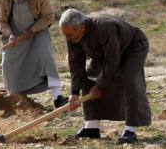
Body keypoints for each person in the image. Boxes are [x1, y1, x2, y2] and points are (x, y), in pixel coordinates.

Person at [58, 8, 151, 144]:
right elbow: (76, 64)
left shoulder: (105, 27)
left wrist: (100, 86)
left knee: (128, 78)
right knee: (89, 79)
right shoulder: (73, 35)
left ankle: (130, 130)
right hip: (106, 53)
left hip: (133, 48)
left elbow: (112, 61)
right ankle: (92, 127)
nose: (68, 39)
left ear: (81, 27)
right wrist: (74, 92)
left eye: (70, 35)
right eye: (65, 35)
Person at [0, 0, 68, 108]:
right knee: (8, 64)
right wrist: (10, 34)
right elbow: (0, 20)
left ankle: (57, 96)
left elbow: (48, 17)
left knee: (46, 57)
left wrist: (31, 30)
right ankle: (13, 99)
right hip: (13, 34)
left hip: (37, 32)